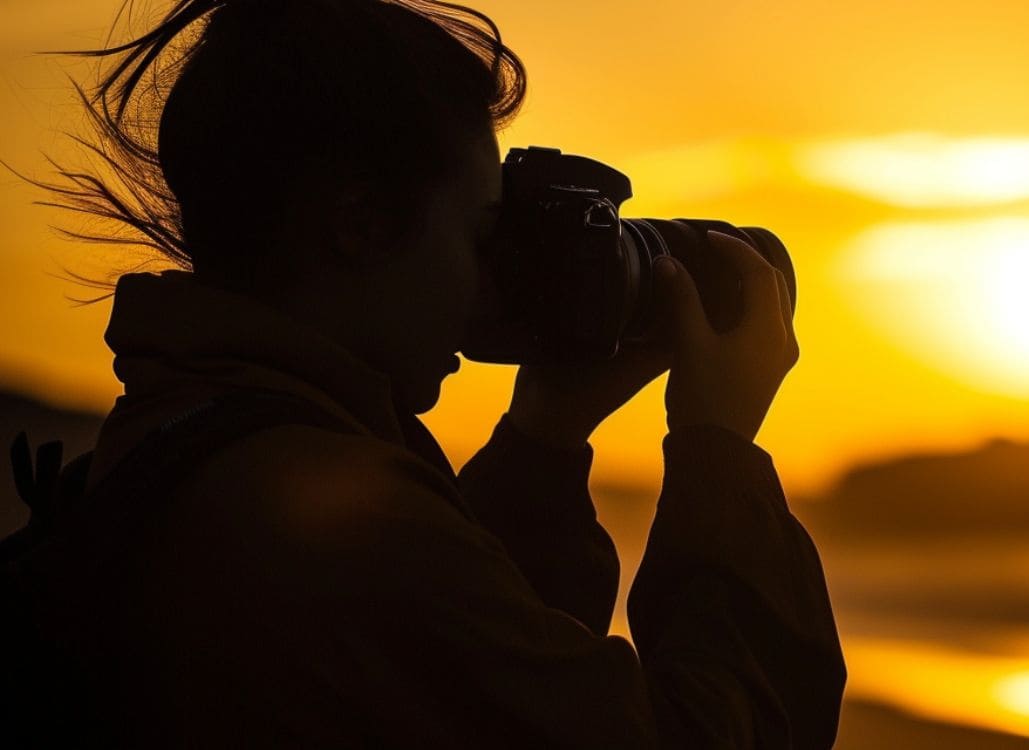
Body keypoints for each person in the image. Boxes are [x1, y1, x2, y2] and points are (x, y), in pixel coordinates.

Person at [12, 0, 846, 746]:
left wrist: (545, 438)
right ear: (363, 225)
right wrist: (719, 449)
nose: (494, 280)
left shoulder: (192, 433)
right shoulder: (324, 525)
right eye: (480, 231)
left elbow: (489, 680)